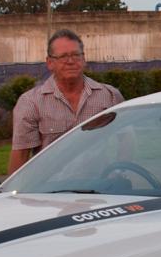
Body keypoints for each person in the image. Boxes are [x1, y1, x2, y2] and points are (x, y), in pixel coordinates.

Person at [8, 29, 124, 173]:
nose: (70, 61)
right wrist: (12, 193)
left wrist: (120, 172)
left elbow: (126, 138)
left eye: (76, 55)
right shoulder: (31, 103)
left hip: (100, 187)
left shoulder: (110, 96)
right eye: (63, 56)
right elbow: (20, 155)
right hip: (51, 190)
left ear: (84, 59)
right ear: (50, 63)